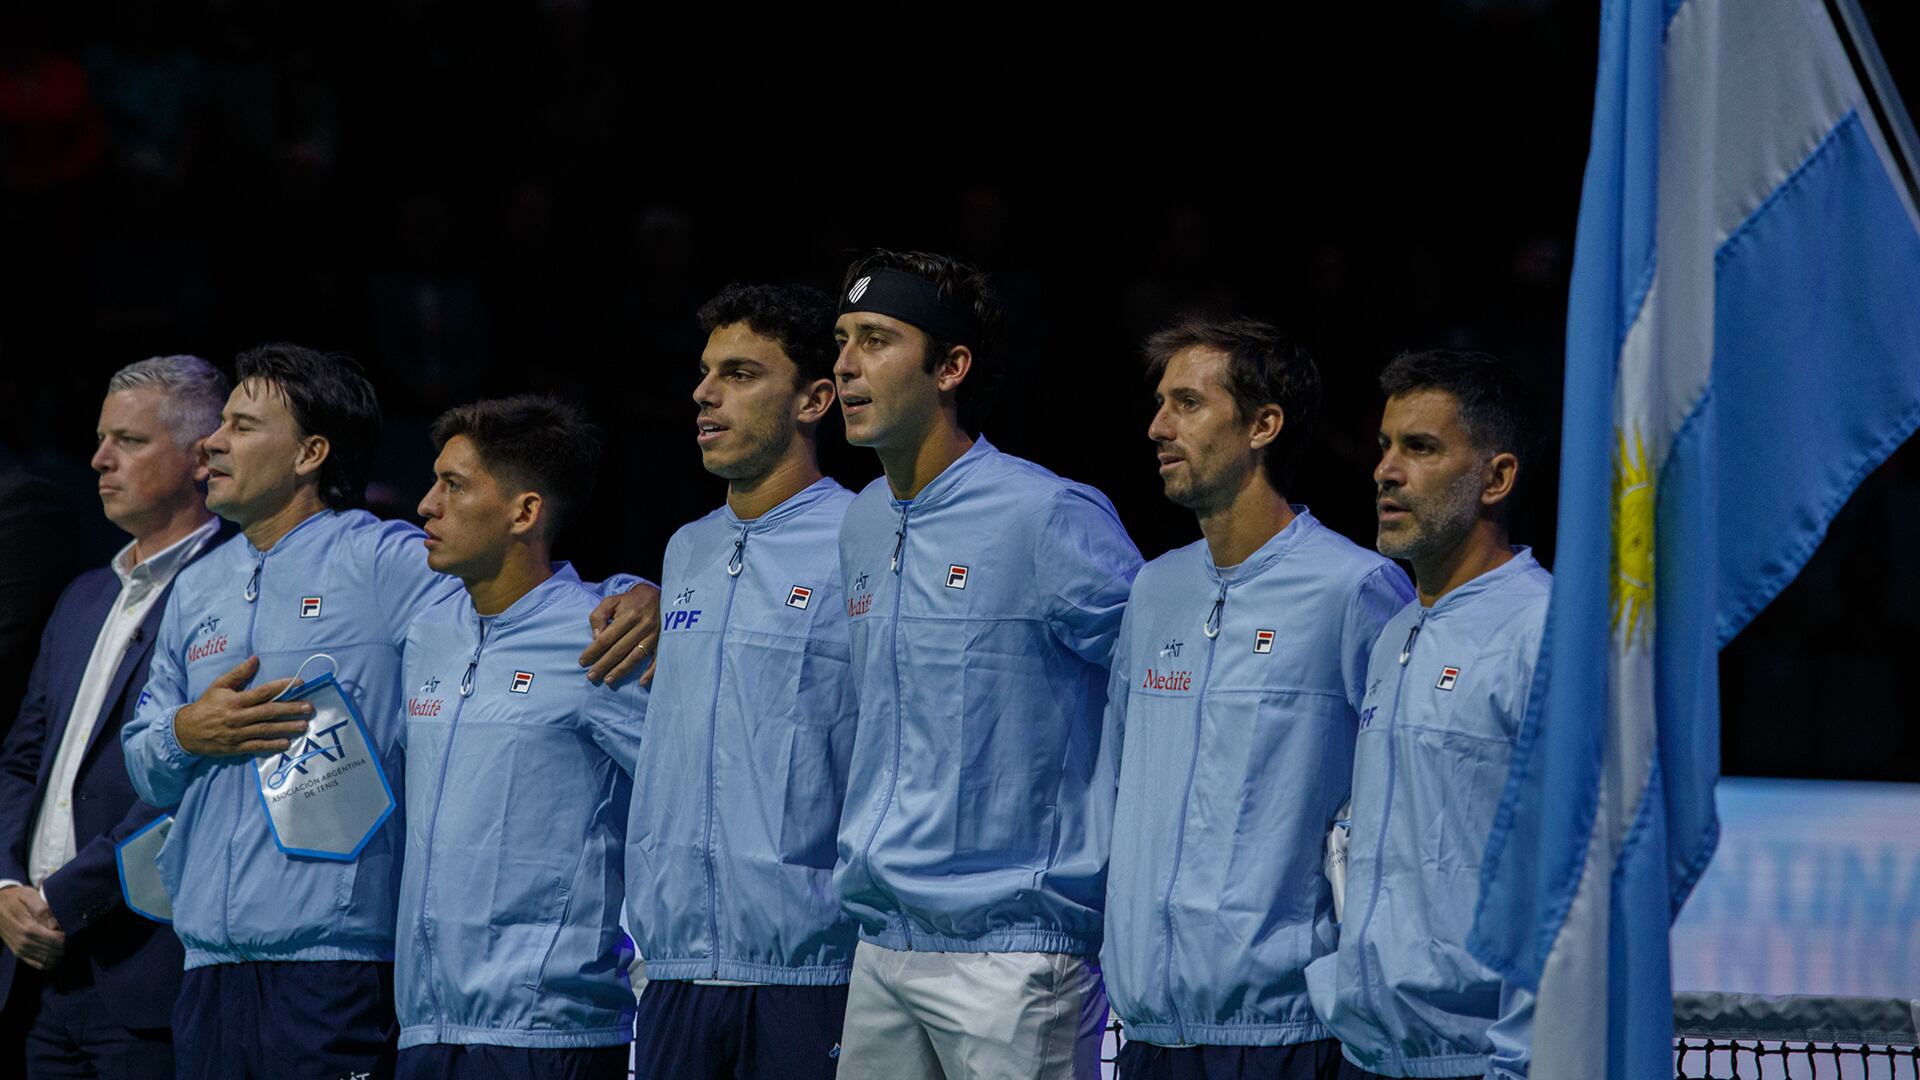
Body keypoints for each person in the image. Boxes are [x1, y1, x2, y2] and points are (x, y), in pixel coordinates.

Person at [119, 344, 658, 1079]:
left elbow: (520, 599)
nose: (211, 443)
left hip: (336, 964)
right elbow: (145, 758)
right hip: (207, 961)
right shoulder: (197, 586)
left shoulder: (384, 563)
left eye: (241, 427)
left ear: (311, 452)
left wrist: (640, 595)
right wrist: (186, 732)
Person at [830, 250, 1141, 1080]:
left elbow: (1156, 688)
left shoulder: (1045, 515)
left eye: (876, 339)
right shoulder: (860, 522)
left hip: (1013, 956)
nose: (845, 364)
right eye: (841, 339)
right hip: (883, 943)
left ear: (951, 367)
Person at [1102, 319, 1412, 1079]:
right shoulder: (1153, 589)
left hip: (1285, 1036)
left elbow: (1393, 807)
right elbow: (1117, 779)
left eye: (1187, 403)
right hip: (1149, 1033)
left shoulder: (1356, 590)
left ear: (1263, 426)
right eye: (1160, 403)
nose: (1157, 426)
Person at [626, 284, 858, 1079]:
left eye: (740, 373)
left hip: (812, 970)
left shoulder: (863, 539)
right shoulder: (685, 550)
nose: (704, 392)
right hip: (677, 971)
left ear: (814, 399)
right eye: (703, 372)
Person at [1305, 350, 1545, 1080]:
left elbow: (1573, 879)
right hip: (1366, 1057)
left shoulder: (1547, 632)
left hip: (1479, 1065)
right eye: (1384, 447)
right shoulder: (1395, 635)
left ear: (1496, 478)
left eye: (1421, 448)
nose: (1385, 470)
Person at [395, 396, 646, 1079]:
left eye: (453, 484)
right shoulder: (426, 637)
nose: (426, 504)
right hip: (423, 1026)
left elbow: (677, 797)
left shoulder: (598, 636)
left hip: (549, 1034)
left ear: (524, 512)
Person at [0, 356, 230, 1078]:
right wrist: (5, 887)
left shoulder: (233, 593)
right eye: (102, 438)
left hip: (142, 964)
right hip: (34, 969)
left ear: (200, 458)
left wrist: (67, 898)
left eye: (129, 441)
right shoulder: (82, 598)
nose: (99, 459)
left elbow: (190, 780)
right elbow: (19, 761)